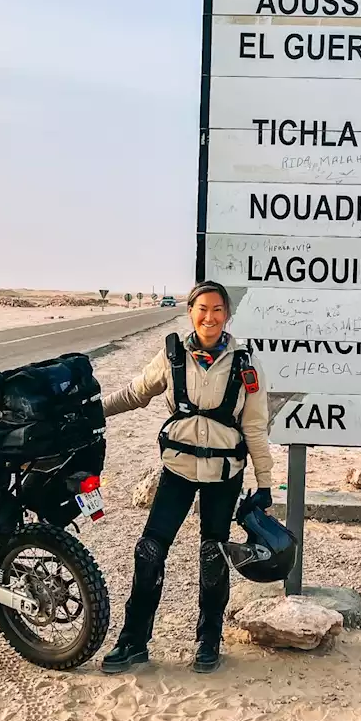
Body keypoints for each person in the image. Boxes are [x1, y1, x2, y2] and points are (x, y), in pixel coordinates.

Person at [98, 279, 274, 674]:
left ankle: (208, 638)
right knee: (149, 551)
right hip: (177, 470)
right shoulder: (172, 355)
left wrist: (264, 484)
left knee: (213, 555)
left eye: (217, 310)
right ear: (190, 312)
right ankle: (133, 641)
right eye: (201, 309)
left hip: (224, 474)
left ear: (226, 315)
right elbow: (134, 393)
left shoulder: (246, 363)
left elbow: (256, 427)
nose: (209, 317)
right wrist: (91, 411)